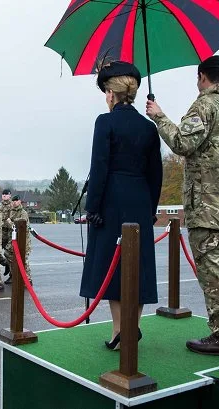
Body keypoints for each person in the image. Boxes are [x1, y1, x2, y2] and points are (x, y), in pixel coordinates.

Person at [146, 55, 219, 357]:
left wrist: (159, 116)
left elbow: (182, 143)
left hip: (209, 208)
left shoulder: (204, 106)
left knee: (216, 271)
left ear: (202, 77)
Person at [80, 60, 163, 350]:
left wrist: (93, 208)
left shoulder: (105, 122)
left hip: (112, 201)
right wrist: (151, 208)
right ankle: (132, 328)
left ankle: (119, 331)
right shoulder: (149, 128)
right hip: (140, 200)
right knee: (136, 267)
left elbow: (99, 167)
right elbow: (156, 175)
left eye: (106, 92)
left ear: (112, 94)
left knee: (114, 268)